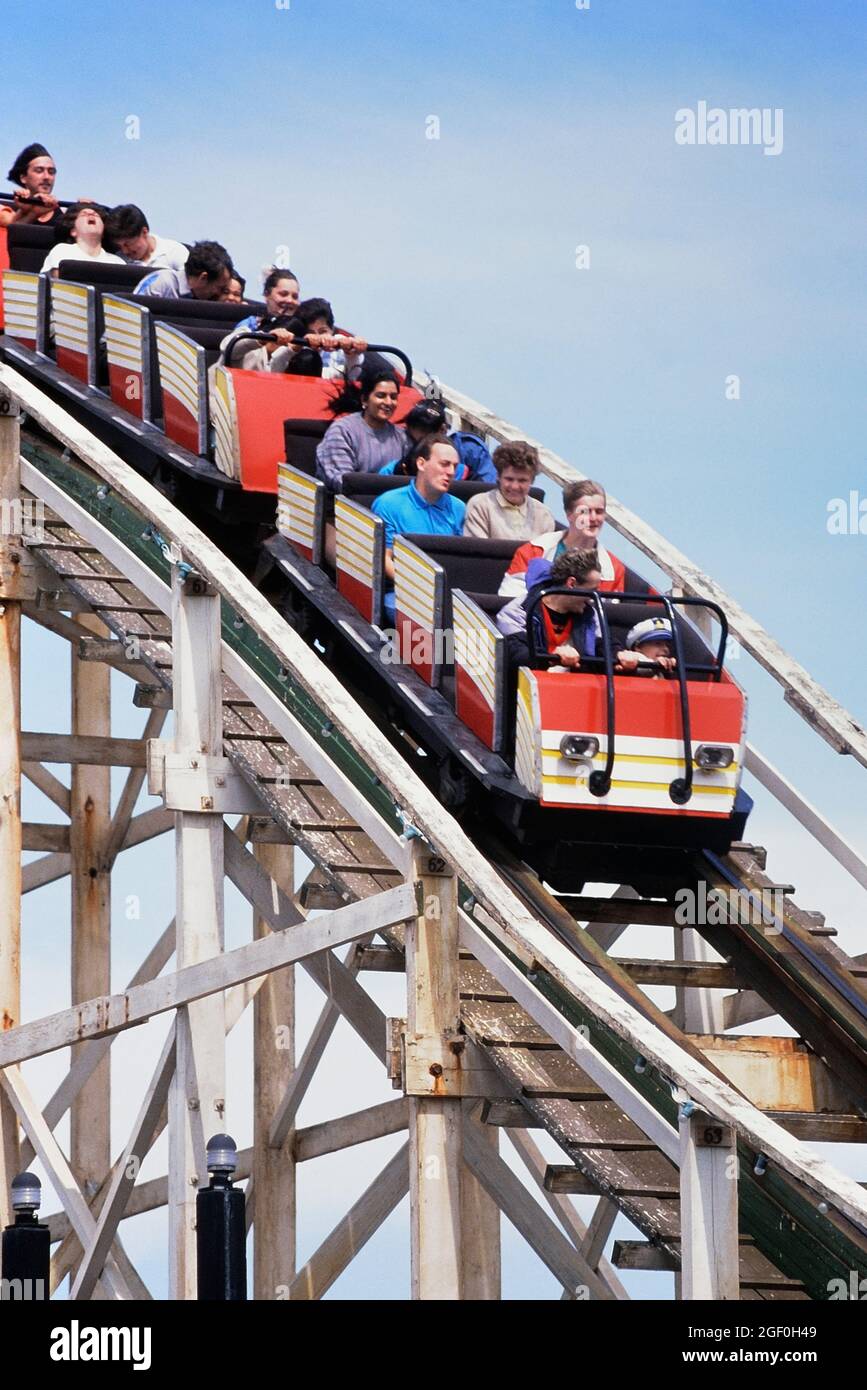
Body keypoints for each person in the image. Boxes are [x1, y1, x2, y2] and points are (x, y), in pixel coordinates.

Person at [371, 439, 466, 620]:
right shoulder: (389, 503)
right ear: (421, 463)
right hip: (402, 591)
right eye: (444, 464)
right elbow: (384, 558)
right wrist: (422, 587)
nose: (451, 472)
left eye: (455, 466)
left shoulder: (458, 508)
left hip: (446, 594)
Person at [498, 478, 625, 599]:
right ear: (569, 514)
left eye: (599, 512)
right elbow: (510, 598)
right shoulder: (532, 551)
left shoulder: (614, 568)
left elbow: (610, 615)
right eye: (584, 512)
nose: (593, 518)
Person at [497, 549, 602, 672]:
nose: (593, 598)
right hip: (530, 686)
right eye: (591, 590)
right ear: (571, 583)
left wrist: (619, 654)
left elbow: (602, 645)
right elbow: (517, 656)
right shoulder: (518, 611)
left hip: (578, 686)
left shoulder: (590, 614)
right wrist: (551, 658)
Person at [315, 367, 409, 491]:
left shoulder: (402, 437)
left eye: (393, 397)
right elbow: (343, 482)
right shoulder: (342, 431)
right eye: (381, 396)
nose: (388, 402)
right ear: (364, 400)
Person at [464, 441, 556, 540]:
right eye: (509, 479)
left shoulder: (544, 515)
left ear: (532, 480)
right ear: (498, 476)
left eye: (522, 480)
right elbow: (478, 550)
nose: (515, 486)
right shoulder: (480, 505)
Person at [39, 203, 124, 276]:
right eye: (84, 214)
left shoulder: (117, 262)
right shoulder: (62, 250)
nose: (91, 214)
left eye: (96, 215)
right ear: (73, 231)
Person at [105, 204, 188, 278]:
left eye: (128, 244)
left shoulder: (174, 251)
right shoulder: (117, 259)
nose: (124, 251)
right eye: (119, 246)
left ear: (144, 232)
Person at [134, 240, 232, 299]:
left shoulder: (213, 300)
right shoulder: (162, 283)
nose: (220, 293)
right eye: (220, 288)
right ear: (203, 278)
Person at [1, 144, 62, 227]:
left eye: (51, 172)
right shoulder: (8, 210)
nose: (46, 177)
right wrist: (29, 213)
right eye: (39, 171)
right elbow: (10, 234)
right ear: (23, 177)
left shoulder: (65, 215)